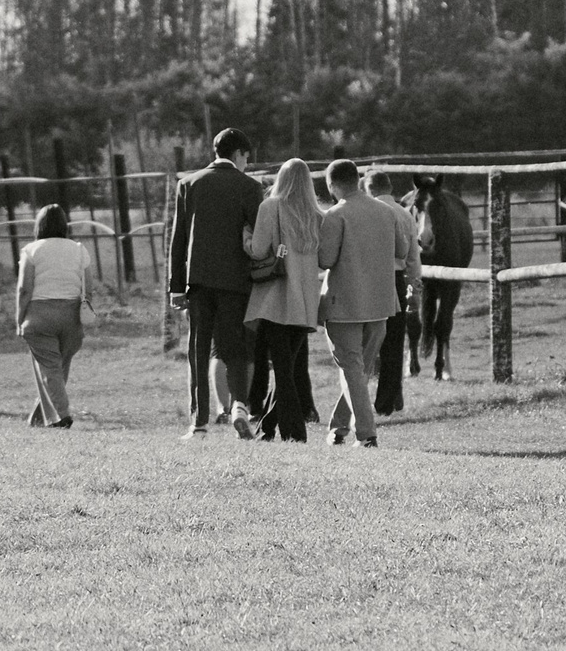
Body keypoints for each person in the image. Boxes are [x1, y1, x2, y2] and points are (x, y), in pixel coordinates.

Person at [166, 127, 267, 438]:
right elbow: (259, 235)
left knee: (199, 348)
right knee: (234, 346)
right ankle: (239, 404)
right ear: (237, 154)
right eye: (246, 158)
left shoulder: (189, 184)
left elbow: (178, 239)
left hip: (198, 281)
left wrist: (176, 286)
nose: (246, 164)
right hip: (237, 281)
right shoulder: (250, 187)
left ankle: (199, 422)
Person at [319, 160, 420, 447]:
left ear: (332, 184)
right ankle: (339, 428)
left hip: (345, 304)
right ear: (358, 180)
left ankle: (367, 433)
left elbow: (325, 259)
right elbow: (402, 250)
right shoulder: (388, 212)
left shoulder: (335, 215)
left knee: (352, 368)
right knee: (358, 370)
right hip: (382, 302)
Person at [242, 158, 325, 442]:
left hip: (277, 298)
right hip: (305, 301)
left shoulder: (270, 207)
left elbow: (257, 250)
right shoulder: (316, 214)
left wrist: (245, 235)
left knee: (284, 371)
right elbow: (323, 259)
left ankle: (295, 433)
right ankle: (266, 428)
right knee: (286, 368)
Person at [17, 203, 93, 428]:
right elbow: (88, 288)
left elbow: (24, 289)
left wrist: (19, 318)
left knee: (50, 369)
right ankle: (40, 418)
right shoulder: (79, 249)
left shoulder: (31, 250)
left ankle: (61, 415)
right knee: (59, 369)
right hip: (71, 317)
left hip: (39, 316)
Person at [368, 169, 419, 415]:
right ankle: (387, 400)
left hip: (368, 278)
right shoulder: (404, 215)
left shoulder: (366, 211)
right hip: (396, 280)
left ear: (369, 189)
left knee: (364, 339)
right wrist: (414, 289)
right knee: (394, 342)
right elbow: (413, 259)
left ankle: (356, 397)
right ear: (389, 188)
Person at [415, 174, 474, 380]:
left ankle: (444, 359)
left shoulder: (454, 217)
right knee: (416, 308)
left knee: (444, 312)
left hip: (449, 261)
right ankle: (412, 354)